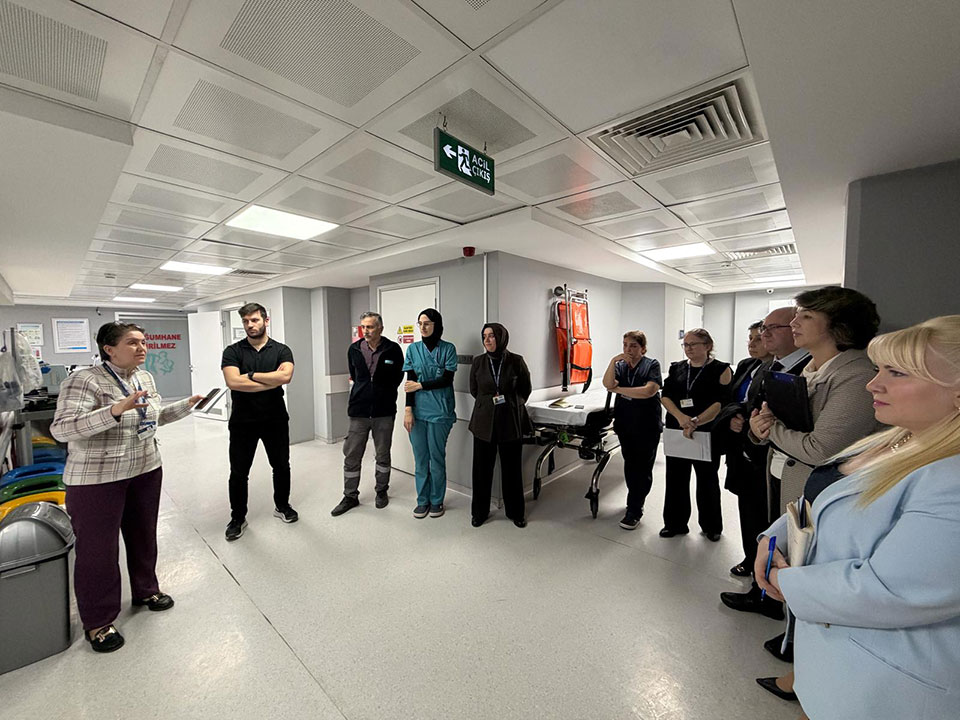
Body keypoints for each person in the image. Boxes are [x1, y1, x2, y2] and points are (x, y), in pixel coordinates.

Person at [755, 315, 960, 720]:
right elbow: (821, 499)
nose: (873, 384)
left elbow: (891, 591)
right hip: (832, 660)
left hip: (885, 683)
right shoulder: (895, 438)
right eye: (879, 369)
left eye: (896, 373)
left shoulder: (950, 478)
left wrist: (784, 580)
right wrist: (772, 539)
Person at [747, 286, 882, 701]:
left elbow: (820, 449)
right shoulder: (810, 369)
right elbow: (785, 429)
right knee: (794, 571)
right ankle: (799, 665)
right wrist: (759, 429)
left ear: (838, 326)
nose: (794, 323)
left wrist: (772, 431)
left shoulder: (856, 375)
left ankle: (809, 682)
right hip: (792, 482)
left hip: (826, 497)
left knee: (814, 585)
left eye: (805, 316)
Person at [51, 322, 203, 652]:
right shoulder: (84, 380)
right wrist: (115, 410)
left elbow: (153, 417)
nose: (141, 347)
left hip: (145, 469)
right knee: (98, 551)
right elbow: (62, 429)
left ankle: (146, 590)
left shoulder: (143, 377)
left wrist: (187, 406)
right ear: (109, 349)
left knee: (143, 536)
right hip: (98, 479)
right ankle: (98, 621)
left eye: (143, 342)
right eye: (132, 342)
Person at [720, 306, 810, 622]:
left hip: (784, 465)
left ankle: (771, 596)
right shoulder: (765, 367)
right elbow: (744, 402)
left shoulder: (808, 369)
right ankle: (761, 583)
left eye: (772, 328)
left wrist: (759, 429)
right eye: (762, 330)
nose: (763, 336)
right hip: (752, 454)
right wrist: (739, 419)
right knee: (756, 520)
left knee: (778, 530)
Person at [221, 303, 297, 541]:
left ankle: (282, 506)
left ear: (266, 320)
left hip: (275, 418)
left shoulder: (282, 350)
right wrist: (271, 381)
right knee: (239, 471)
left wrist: (252, 376)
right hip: (243, 421)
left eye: (254, 320)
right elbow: (233, 382)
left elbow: (286, 376)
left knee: (281, 465)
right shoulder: (233, 351)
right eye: (245, 321)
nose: (250, 325)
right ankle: (237, 517)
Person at [659, 328, 732, 540]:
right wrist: (681, 418)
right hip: (678, 429)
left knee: (707, 480)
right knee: (675, 479)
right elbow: (665, 396)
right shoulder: (677, 368)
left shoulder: (721, 370)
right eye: (685, 344)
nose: (688, 348)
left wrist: (696, 421)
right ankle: (675, 524)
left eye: (693, 344)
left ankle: (711, 526)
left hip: (706, 431)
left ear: (707, 346)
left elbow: (721, 402)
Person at [332, 311, 404, 516]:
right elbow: (355, 376)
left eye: (370, 327)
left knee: (382, 455)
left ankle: (381, 491)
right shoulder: (354, 349)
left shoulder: (393, 349)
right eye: (363, 327)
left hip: (384, 412)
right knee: (352, 456)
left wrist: (382, 392)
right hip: (359, 412)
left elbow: (397, 377)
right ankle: (350, 496)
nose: (366, 331)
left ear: (380, 328)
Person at [716, 321, 772, 570]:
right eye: (750, 338)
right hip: (739, 445)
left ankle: (763, 565)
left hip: (763, 449)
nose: (752, 344)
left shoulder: (782, 369)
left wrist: (747, 422)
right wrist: (733, 418)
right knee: (746, 505)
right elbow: (730, 400)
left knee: (764, 508)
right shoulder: (746, 365)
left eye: (758, 338)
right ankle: (750, 557)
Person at [468, 323, 532, 528]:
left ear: (501, 337)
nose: (487, 340)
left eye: (492, 336)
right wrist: (489, 404)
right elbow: (474, 390)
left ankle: (516, 512)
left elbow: (525, 389)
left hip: (510, 421)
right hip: (483, 422)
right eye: (484, 336)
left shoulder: (516, 361)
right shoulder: (478, 362)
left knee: (512, 470)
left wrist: (511, 403)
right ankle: (479, 512)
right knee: (481, 471)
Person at [601, 330, 662, 530]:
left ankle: (635, 509)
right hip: (625, 423)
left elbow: (648, 391)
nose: (628, 349)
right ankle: (633, 500)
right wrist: (613, 361)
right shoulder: (620, 365)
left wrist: (618, 390)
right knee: (630, 464)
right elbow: (607, 383)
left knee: (643, 467)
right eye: (625, 345)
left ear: (643, 348)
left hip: (647, 425)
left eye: (633, 346)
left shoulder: (651, 365)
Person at [403, 309, 458, 518]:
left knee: (436, 458)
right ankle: (422, 500)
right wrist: (408, 410)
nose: (423, 327)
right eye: (420, 323)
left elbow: (446, 379)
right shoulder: (413, 349)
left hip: (440, 412)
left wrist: (421, 385)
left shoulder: (448, 349)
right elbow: (409, 382)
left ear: (437, 325)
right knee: (420, 459)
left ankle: (436, 501)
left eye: (427, 323)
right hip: (417, 412)